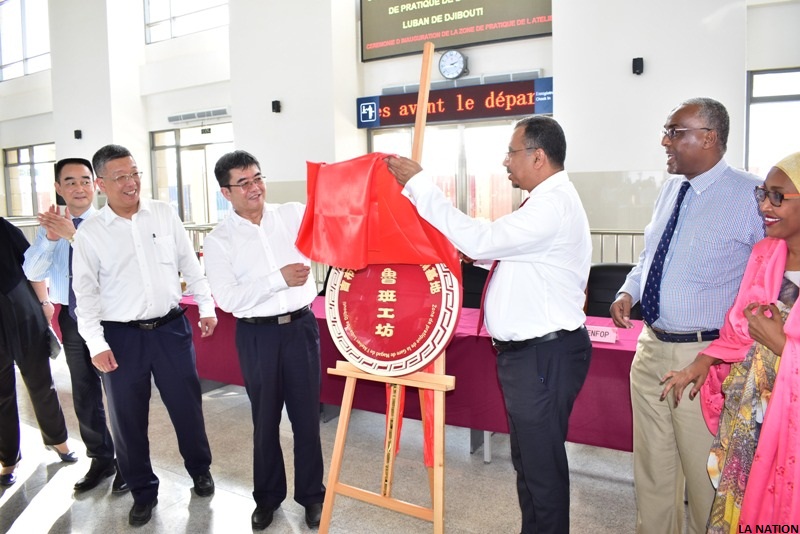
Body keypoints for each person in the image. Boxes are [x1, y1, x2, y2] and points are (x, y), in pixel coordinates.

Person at [386, 115, 593, 534]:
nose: (505, 162)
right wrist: (477, 254)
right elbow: (513, 255)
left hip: (542, 356)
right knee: (529, 462)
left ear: (538, 156)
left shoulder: (553, 205)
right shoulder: (543, 200)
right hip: (531, 356)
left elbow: (483, 238)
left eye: (511, 153)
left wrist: (421, 186)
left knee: (542, 468)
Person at [610, 97, 764, 533]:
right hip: (651, 347)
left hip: (704, 358)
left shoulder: (750, 197)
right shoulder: (671, 189)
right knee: (653, 472)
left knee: (704, 476)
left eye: (675, 132)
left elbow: (766, 281)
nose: (665, 141)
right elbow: (650, 255)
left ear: (709, 138)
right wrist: (629, 289)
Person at [71, 144, 218, 526]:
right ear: (101, 184)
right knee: (127, 418)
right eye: (120, 176)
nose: (131, 182)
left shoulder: (164, 213)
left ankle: (200, 469)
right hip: (121, 338)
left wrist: (205, 305)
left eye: (134, 173)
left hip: (171, 329)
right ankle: (142, 490)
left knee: (187, 407)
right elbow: (84, 296)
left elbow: (190, 262)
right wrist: (96, 344)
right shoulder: (91, 235)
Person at [661, 152, 800, 531]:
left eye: (777, 197)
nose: (764, 207)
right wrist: (701, 363)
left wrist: (783, 347)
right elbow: (738, 326)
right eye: (762, 194)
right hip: (753, 413)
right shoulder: (764, 254)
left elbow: (773, 340)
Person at [203, 150, 325, 531]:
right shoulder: (219, 240)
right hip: (257, 335)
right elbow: (228, 299)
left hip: (302, 329)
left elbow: (334, 226)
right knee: (265, 419)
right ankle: (267, 498)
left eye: (257, 178)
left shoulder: (291, 214)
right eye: (243, 182)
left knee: (307, 419)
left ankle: (313, 496)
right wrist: (278, 278)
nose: (254, 188)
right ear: (227, 192)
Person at [23, 158, 127, 494]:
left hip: (110, 317)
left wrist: (74, 235)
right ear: (58, 188)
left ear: (96, 184)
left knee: (120, 392)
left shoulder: (110, 221)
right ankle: (101, 458)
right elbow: (32, 271)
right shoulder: (50, 225)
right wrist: (53, 238)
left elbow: (112, 266)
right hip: (72, 317)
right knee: (84, 393)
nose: (78, 188)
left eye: (85, 180)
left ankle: (130, 462)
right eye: (70, 182)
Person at [1, 217, 77, 487]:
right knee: (2, 394)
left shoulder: (3, 227)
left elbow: (32, 267)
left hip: (21, 311)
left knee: (41, 381)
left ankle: (59, 440)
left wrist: (44, 302)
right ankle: (8, 458)